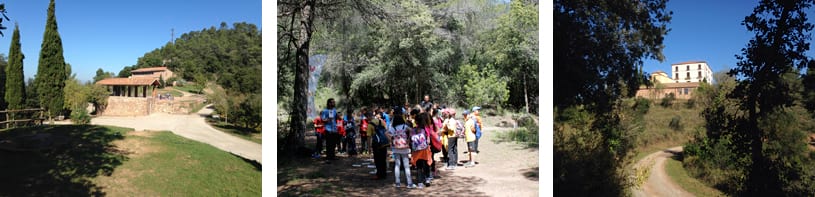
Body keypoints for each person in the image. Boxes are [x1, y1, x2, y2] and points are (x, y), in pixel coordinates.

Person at [387, 108, 416, 189]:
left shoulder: (393, 128)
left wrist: (391, 139)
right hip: (404, 147)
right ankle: (409, 183)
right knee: (406, 165)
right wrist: (408, 139)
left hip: (396, 147)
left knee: (397, 165)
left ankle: (397, 183)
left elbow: (386, 133)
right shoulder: (404, 126)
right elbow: (412, 130)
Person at [411, 112, 433, 188]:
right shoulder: (425, 128)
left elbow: (410, 140)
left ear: (416, 121)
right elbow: (428, 140)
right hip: (425, 149)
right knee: (426, 163)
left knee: (419, 165)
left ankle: (420, 182)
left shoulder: (413, 130)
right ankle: (427, 179)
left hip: (416, 150)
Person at [368, 111, 389, 180]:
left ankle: (379, 174)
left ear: (369, 117)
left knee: (377, 159)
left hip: (376, 143)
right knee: (383, 158)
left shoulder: (370, 124)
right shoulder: (381, 121)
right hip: (383, 143)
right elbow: (386, 130)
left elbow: (369, 137)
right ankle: (384, 174)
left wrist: (369, 147)